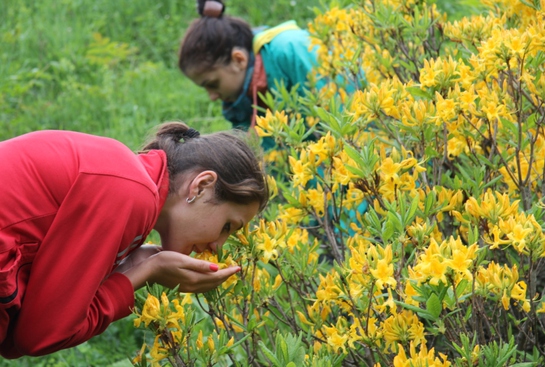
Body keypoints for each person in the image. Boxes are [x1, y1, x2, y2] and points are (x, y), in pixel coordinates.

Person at [0, 122, 269, 358]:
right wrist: (147, 272)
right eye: (227, 226)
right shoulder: (130, 191)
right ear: (201, 186)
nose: (217, 246)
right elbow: (41, 335)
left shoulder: (129, 181)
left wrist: (135, 263)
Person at [178, 0, 324, 137]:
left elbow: (337, 118)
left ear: (238, 60)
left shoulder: (291, 49)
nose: (212, 97)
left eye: (213, 84)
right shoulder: (240, 96)